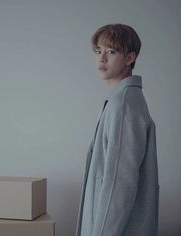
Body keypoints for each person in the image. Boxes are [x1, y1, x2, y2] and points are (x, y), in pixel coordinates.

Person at [75, 24, 159, 236]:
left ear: (130, 58)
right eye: (98, 51)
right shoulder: (121, 100)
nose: (101, 59)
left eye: (111, 52)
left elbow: (119, 185)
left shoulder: (123, 105)